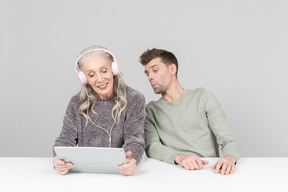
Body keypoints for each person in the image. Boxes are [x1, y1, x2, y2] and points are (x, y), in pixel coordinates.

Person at [139, 48, 240, 175]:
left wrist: (229, 158)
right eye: (147, 73)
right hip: (171, 172)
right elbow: (151, 146)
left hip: (207, 172)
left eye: (155, 70)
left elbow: (227, 140)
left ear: (172, 69)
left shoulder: (203, 98)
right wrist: (180, 157)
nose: (150, 77)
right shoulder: (150, 111)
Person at [53, 45, 145, 176]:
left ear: (114, 69)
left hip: (120, 173)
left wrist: (132, 160)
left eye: (104, 71)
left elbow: (135, 140)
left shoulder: (135, 99)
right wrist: (59, 160)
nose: (100, 79)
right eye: (91, 75)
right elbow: (65, 140)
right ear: (84, 79)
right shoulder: (76, 102)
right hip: (85, 174)